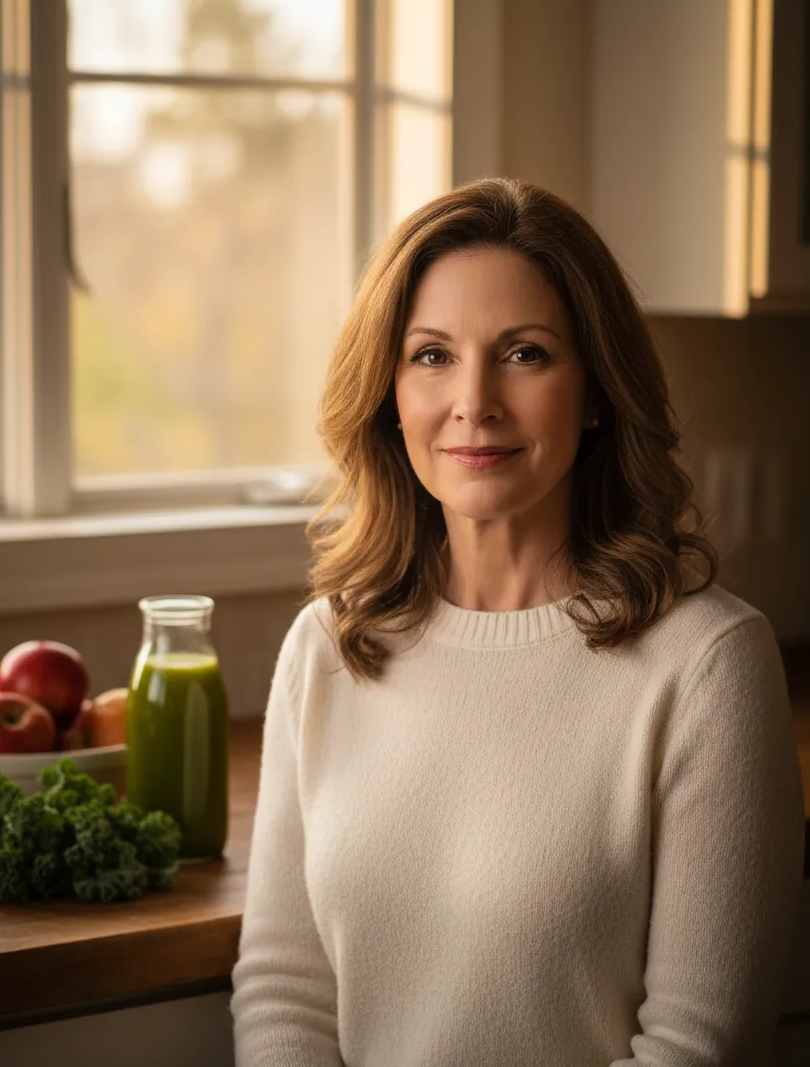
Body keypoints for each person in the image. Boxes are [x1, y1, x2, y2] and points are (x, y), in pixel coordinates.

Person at [229, 178, 805, 1066]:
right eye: (431, 356)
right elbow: (284, 991)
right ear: (388, 392)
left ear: (599, 389)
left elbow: (697, 1046)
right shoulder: (329, 645)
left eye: (526, 354)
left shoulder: (707, 666)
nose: (474, 400)